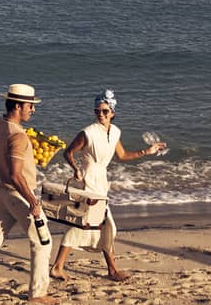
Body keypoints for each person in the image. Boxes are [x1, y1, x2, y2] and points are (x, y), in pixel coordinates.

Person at [50, 89, 167, 283]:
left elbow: (122, 156)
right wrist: (76, 168)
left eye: (105, 111)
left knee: (93, 224)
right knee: (97, 223)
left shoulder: (115, 132)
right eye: (98, 111)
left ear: (112, 112)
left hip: (101, 181)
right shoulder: (87, 133)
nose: (101, 115)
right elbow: (68, 153)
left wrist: (147, 151)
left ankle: (63, 267)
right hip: (88, 181)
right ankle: (107, 269)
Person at [0, 84, 58, 304]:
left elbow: (9, 158)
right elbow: (16, 175)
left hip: (2, 192)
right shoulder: (18, 136)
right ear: (18, 106)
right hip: (18, 196)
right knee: (42, 242)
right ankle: (37, 294)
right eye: (30, 106)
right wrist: (33, 201)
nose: (33, 110)